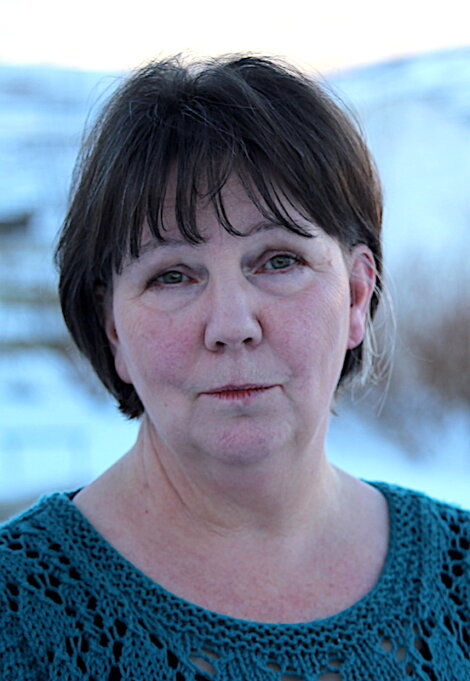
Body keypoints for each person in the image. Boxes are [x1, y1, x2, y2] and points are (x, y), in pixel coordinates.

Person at [0, 54, 468, 680]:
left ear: (356, 296)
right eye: (172, 275)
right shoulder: (18, 614)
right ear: (113, 329)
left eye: (277, 261)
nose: (231, 325)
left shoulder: (458, 576)